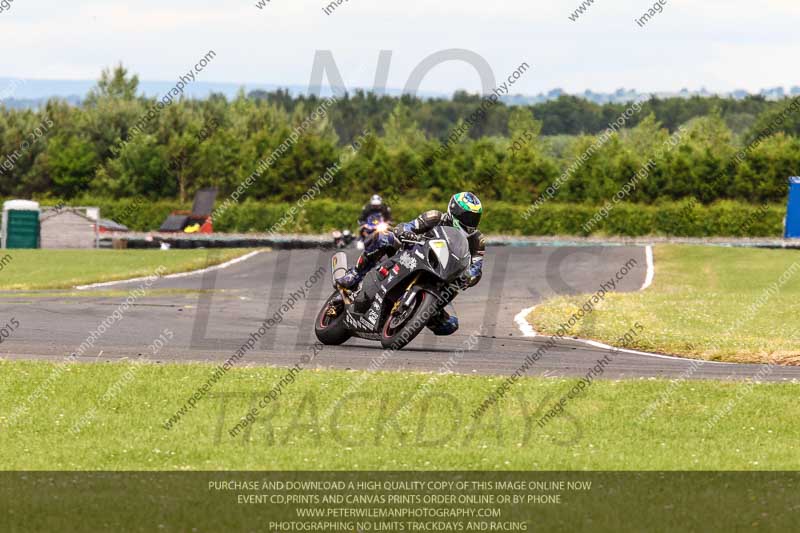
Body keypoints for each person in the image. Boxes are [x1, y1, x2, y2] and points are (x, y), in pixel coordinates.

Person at [338, 192, 486, 335]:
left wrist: (469, 276)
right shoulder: (435, 217)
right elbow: (407, 226)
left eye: (474, 218)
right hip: (414, 254)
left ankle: (418, 313)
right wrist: (406, 232)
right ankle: (356, 273)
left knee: (450, 325)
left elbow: (477, 267)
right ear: (455, 211)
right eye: (467, 216)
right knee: (384, 237)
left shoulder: (477, 240)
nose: (471, 221)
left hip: (442, 278)